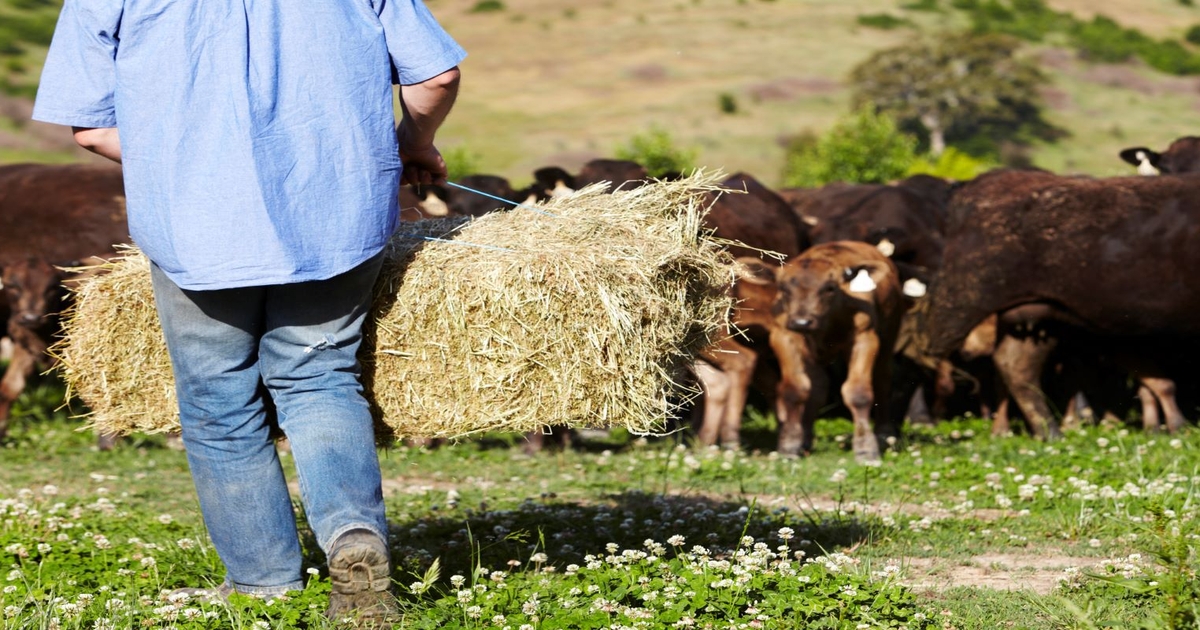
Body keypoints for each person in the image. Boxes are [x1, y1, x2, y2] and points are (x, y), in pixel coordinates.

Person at [32, 0, 465, 623]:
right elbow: (436, 76)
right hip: (336, 211)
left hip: (195, 226)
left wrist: (184, 167)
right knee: (320, 378)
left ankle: (264, 588)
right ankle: (352, 538)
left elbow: (91, 126)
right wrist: (412, 141)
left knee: (218, 403)